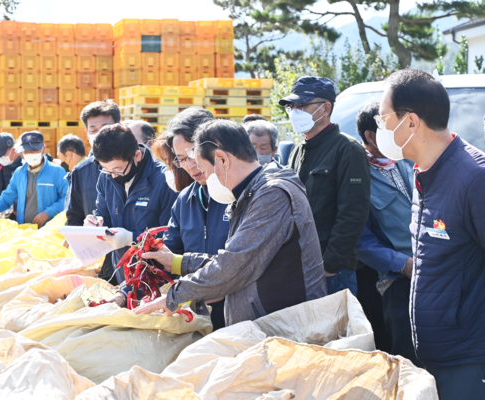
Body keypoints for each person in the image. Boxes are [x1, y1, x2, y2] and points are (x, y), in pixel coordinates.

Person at [134, 119, 327, 326]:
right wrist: (181, 263)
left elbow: (235, 264)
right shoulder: (252, 193)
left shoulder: (272, 195)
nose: (206, 180)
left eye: (205, 171)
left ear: (222, 160)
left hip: (287, 328)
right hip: (269, 325)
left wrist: (174, 296)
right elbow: (236, 259)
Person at [376, 68, 485, 399]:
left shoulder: (474, 179)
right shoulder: (421, 174)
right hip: (433, 355)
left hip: (469, 360)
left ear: (411, 122)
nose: (380, 129)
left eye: (384, 119)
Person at [284, 77, 370, 296]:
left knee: (334, 330)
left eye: (302, 105)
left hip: (331, 272)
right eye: (292, 106)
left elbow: (353, 213)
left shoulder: (347, 149)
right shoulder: (297, 151)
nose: (296, 111)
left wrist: (330, 265)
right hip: (297, 267)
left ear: (326, 108)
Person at [354, 102, 420, 366]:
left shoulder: (407, 161)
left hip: (430, 272)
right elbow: (361, 241)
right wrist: (403, 264)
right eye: (388, 127)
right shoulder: (359, 175)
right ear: (371, 136)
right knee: (407, 362)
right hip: (396, 281)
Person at [154, 107, 229, 330]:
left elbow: (241, 263)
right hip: (197, 315)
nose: (189, 165)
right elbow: (168, 253)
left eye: (192, 154)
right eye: (181, 160)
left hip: (241, 313)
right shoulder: (185, 199)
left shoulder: (241, 194)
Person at [85, 123, 178, 282]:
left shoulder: (165, 181)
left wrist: (132, 238)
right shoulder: (106, 177)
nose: (113, 176)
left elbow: (172, 237)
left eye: (118, 169)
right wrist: (96, 224)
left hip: (157, 278)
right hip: (123, 274)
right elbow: (103, 213)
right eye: (107, 170)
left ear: (137, 156)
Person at [66, 101, 122, 281]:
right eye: (93, 129)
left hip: (129, 259)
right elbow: (73, 216)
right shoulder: (81, 172)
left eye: (105, 128)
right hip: (96, 265)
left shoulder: (134, 165)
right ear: (87, 132)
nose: (99, 134)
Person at [0, 131, 68, 227]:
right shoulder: (19, 173)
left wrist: (48, 213)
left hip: (49, 231)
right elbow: (6, 197)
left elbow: (67, 198)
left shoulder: (58, 172)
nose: (30, 154)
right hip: (24, 230)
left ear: (43, 149)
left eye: (34, 151)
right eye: (27, 151)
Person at [57, 134, 87, 210]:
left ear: (68, 155)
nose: (61, 161)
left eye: (60, 157)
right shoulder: (84, 172)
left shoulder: (82, 175)